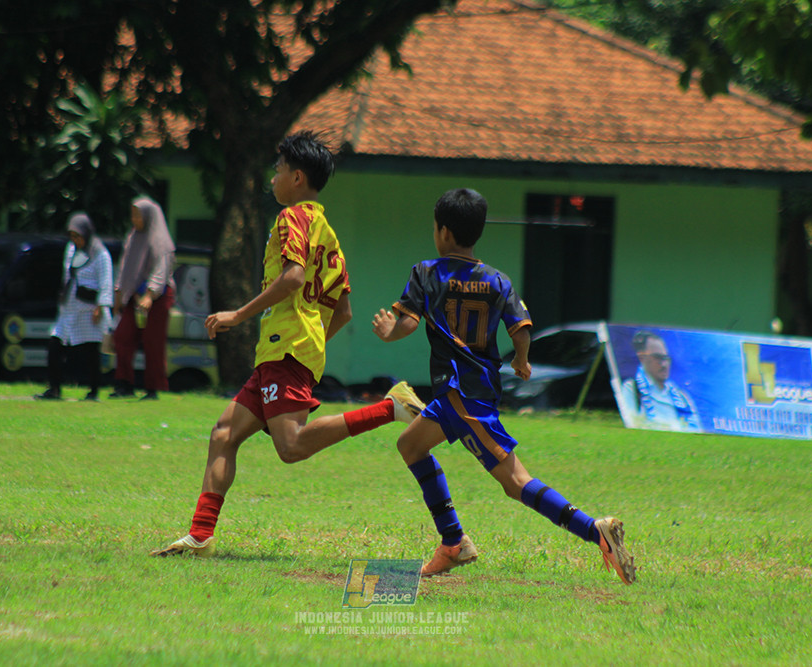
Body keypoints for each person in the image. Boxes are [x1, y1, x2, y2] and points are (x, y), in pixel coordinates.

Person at [151, 131, 426, 557]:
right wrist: (310, 345)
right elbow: (344, 311)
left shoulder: (290, 218)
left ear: (297, 177)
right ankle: (200, 535)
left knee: (291, 446)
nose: (273, 177)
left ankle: (390, 407)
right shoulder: (329, 235)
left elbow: (294, 277)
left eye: (278, 169)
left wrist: (237, 315)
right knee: (224, 433)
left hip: (285, 346)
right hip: (290, 349)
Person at [371, 188, 635, 584]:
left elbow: (407, 322)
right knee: (410, 444)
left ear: (442, 231)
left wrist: (389, 331)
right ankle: (453, 542)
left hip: (463, 397)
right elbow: (521, 327)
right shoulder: (497, 280)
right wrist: (520, 359)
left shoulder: (427, 272)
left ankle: (594, 530)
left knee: (515, 483)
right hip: (466, 392)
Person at [35, 213, 113, 401]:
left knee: (90, 352)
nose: (75, 240)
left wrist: (100, 307)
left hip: (88, 309)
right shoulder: (70, 249)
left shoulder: (100, 253)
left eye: (78, 236)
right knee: (55, 345)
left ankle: (93, 391)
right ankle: (54, 389)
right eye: (73, 236)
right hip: (69, 306)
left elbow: (106, 282)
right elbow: (66, 276)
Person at [111, 195, 177, 401]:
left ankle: (153, 388)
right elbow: (126, 267)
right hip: (134, 296)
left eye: (137, 215)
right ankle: (124, 383)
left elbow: (161, 269)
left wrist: (150, 294)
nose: (134, 219)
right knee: (122, 336)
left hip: (157, 297)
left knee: (152, 343)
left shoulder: (161, 240)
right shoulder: (133, 238)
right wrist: (119, 293)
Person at [619, 330, 701, 432]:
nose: (664, 365)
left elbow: (696, 429)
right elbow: (632, 422)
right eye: (657, 358)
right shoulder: (632, 389)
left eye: (666, 359)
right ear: (642, 358)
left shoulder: (682, 397)